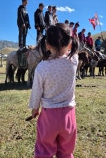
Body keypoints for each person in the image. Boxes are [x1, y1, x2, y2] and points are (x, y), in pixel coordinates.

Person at [29, 23, 79, 158]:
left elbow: (36, 91)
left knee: (44, 150)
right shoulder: (74, 61)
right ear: (70, 44)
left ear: (47, 44)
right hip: (69, 115)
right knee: (66, 151)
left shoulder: (41, 67)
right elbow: (71, 49)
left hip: (48, 116)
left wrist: (34, 108)